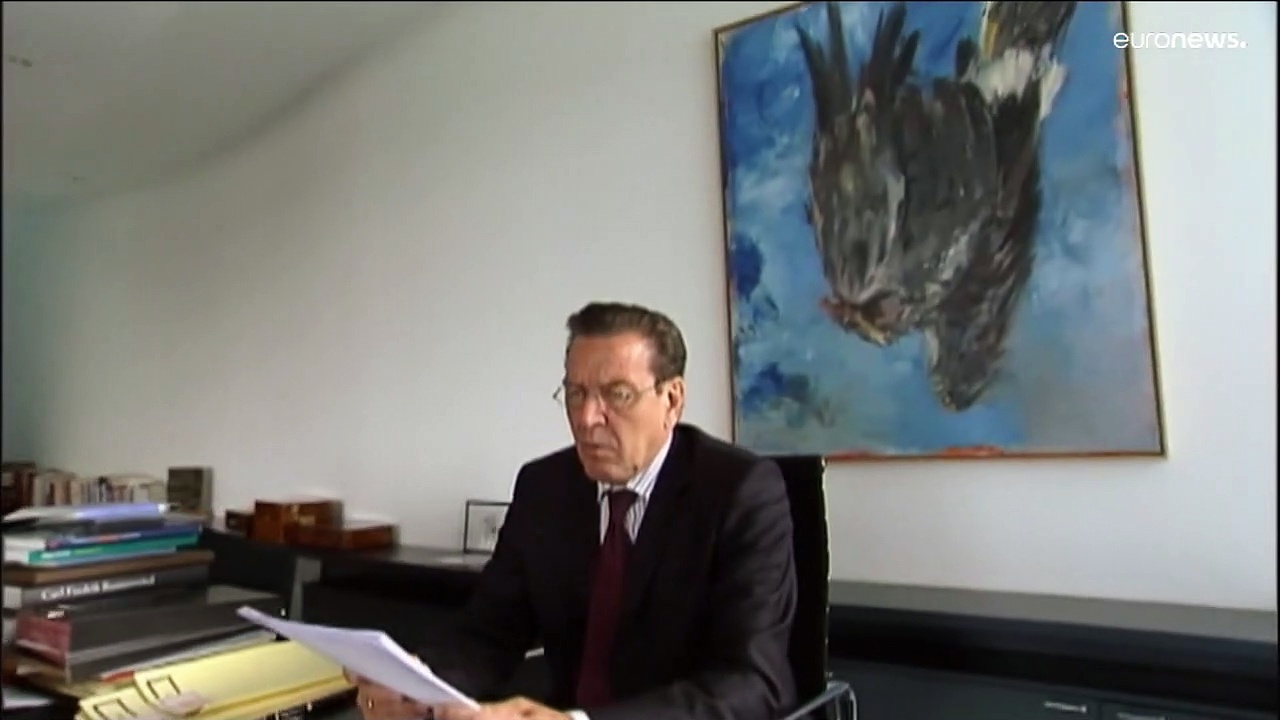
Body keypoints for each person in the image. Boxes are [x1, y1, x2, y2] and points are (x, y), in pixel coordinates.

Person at [350, 301, 798, 720]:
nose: (586, 418)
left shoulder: (739, 492)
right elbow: (489, 633)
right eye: (575, 393)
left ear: (672, 400)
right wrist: (419, 686)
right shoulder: (545, 487)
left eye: (617, 395)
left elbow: (752, 682)